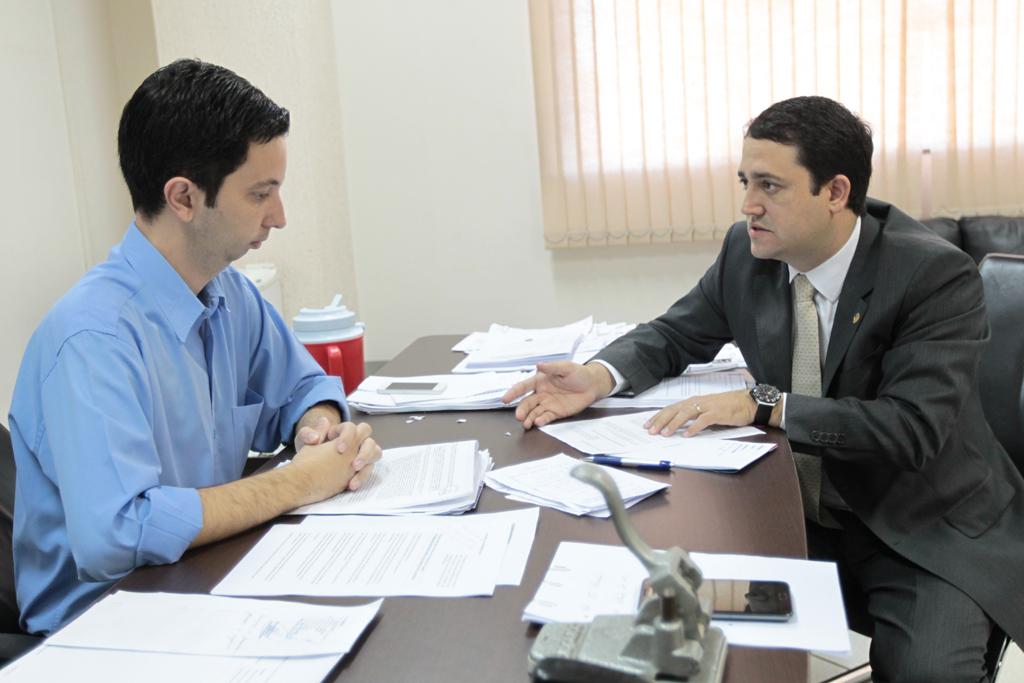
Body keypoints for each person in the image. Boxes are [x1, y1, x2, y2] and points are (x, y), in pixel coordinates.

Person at [504, 96, 1024, 681]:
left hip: (918, 527)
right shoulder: (748, 251)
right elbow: (677, 332)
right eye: (745, 181)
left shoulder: (932, 275)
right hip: (789, 512)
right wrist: (597, 378)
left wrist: (765, 404)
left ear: (835, 192)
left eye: (771, 186)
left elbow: (910, 428)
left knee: (928, 675)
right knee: (662, 619)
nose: (749, 205)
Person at [8, 59, 382, 635]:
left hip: (210, 583)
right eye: (261, 193)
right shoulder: (92, 339)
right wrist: (302, 480)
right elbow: (120, 534)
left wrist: (320, 427)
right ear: (183, 197)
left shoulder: (228, 292)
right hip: (101, 630)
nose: (279, 216)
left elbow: (305, 386)